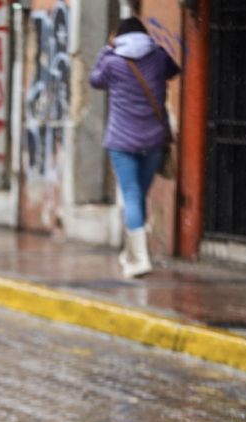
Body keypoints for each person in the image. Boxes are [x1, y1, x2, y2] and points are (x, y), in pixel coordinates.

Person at [90, 17, 180, 278]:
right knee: (138, 195)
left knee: (131, 194)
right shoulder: (158, 56)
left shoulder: (112, 60)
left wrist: (107, 50)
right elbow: (174, 71)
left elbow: (95, 80)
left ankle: (139, 259)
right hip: (154, 140)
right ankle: (131, 252)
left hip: (122, 140)